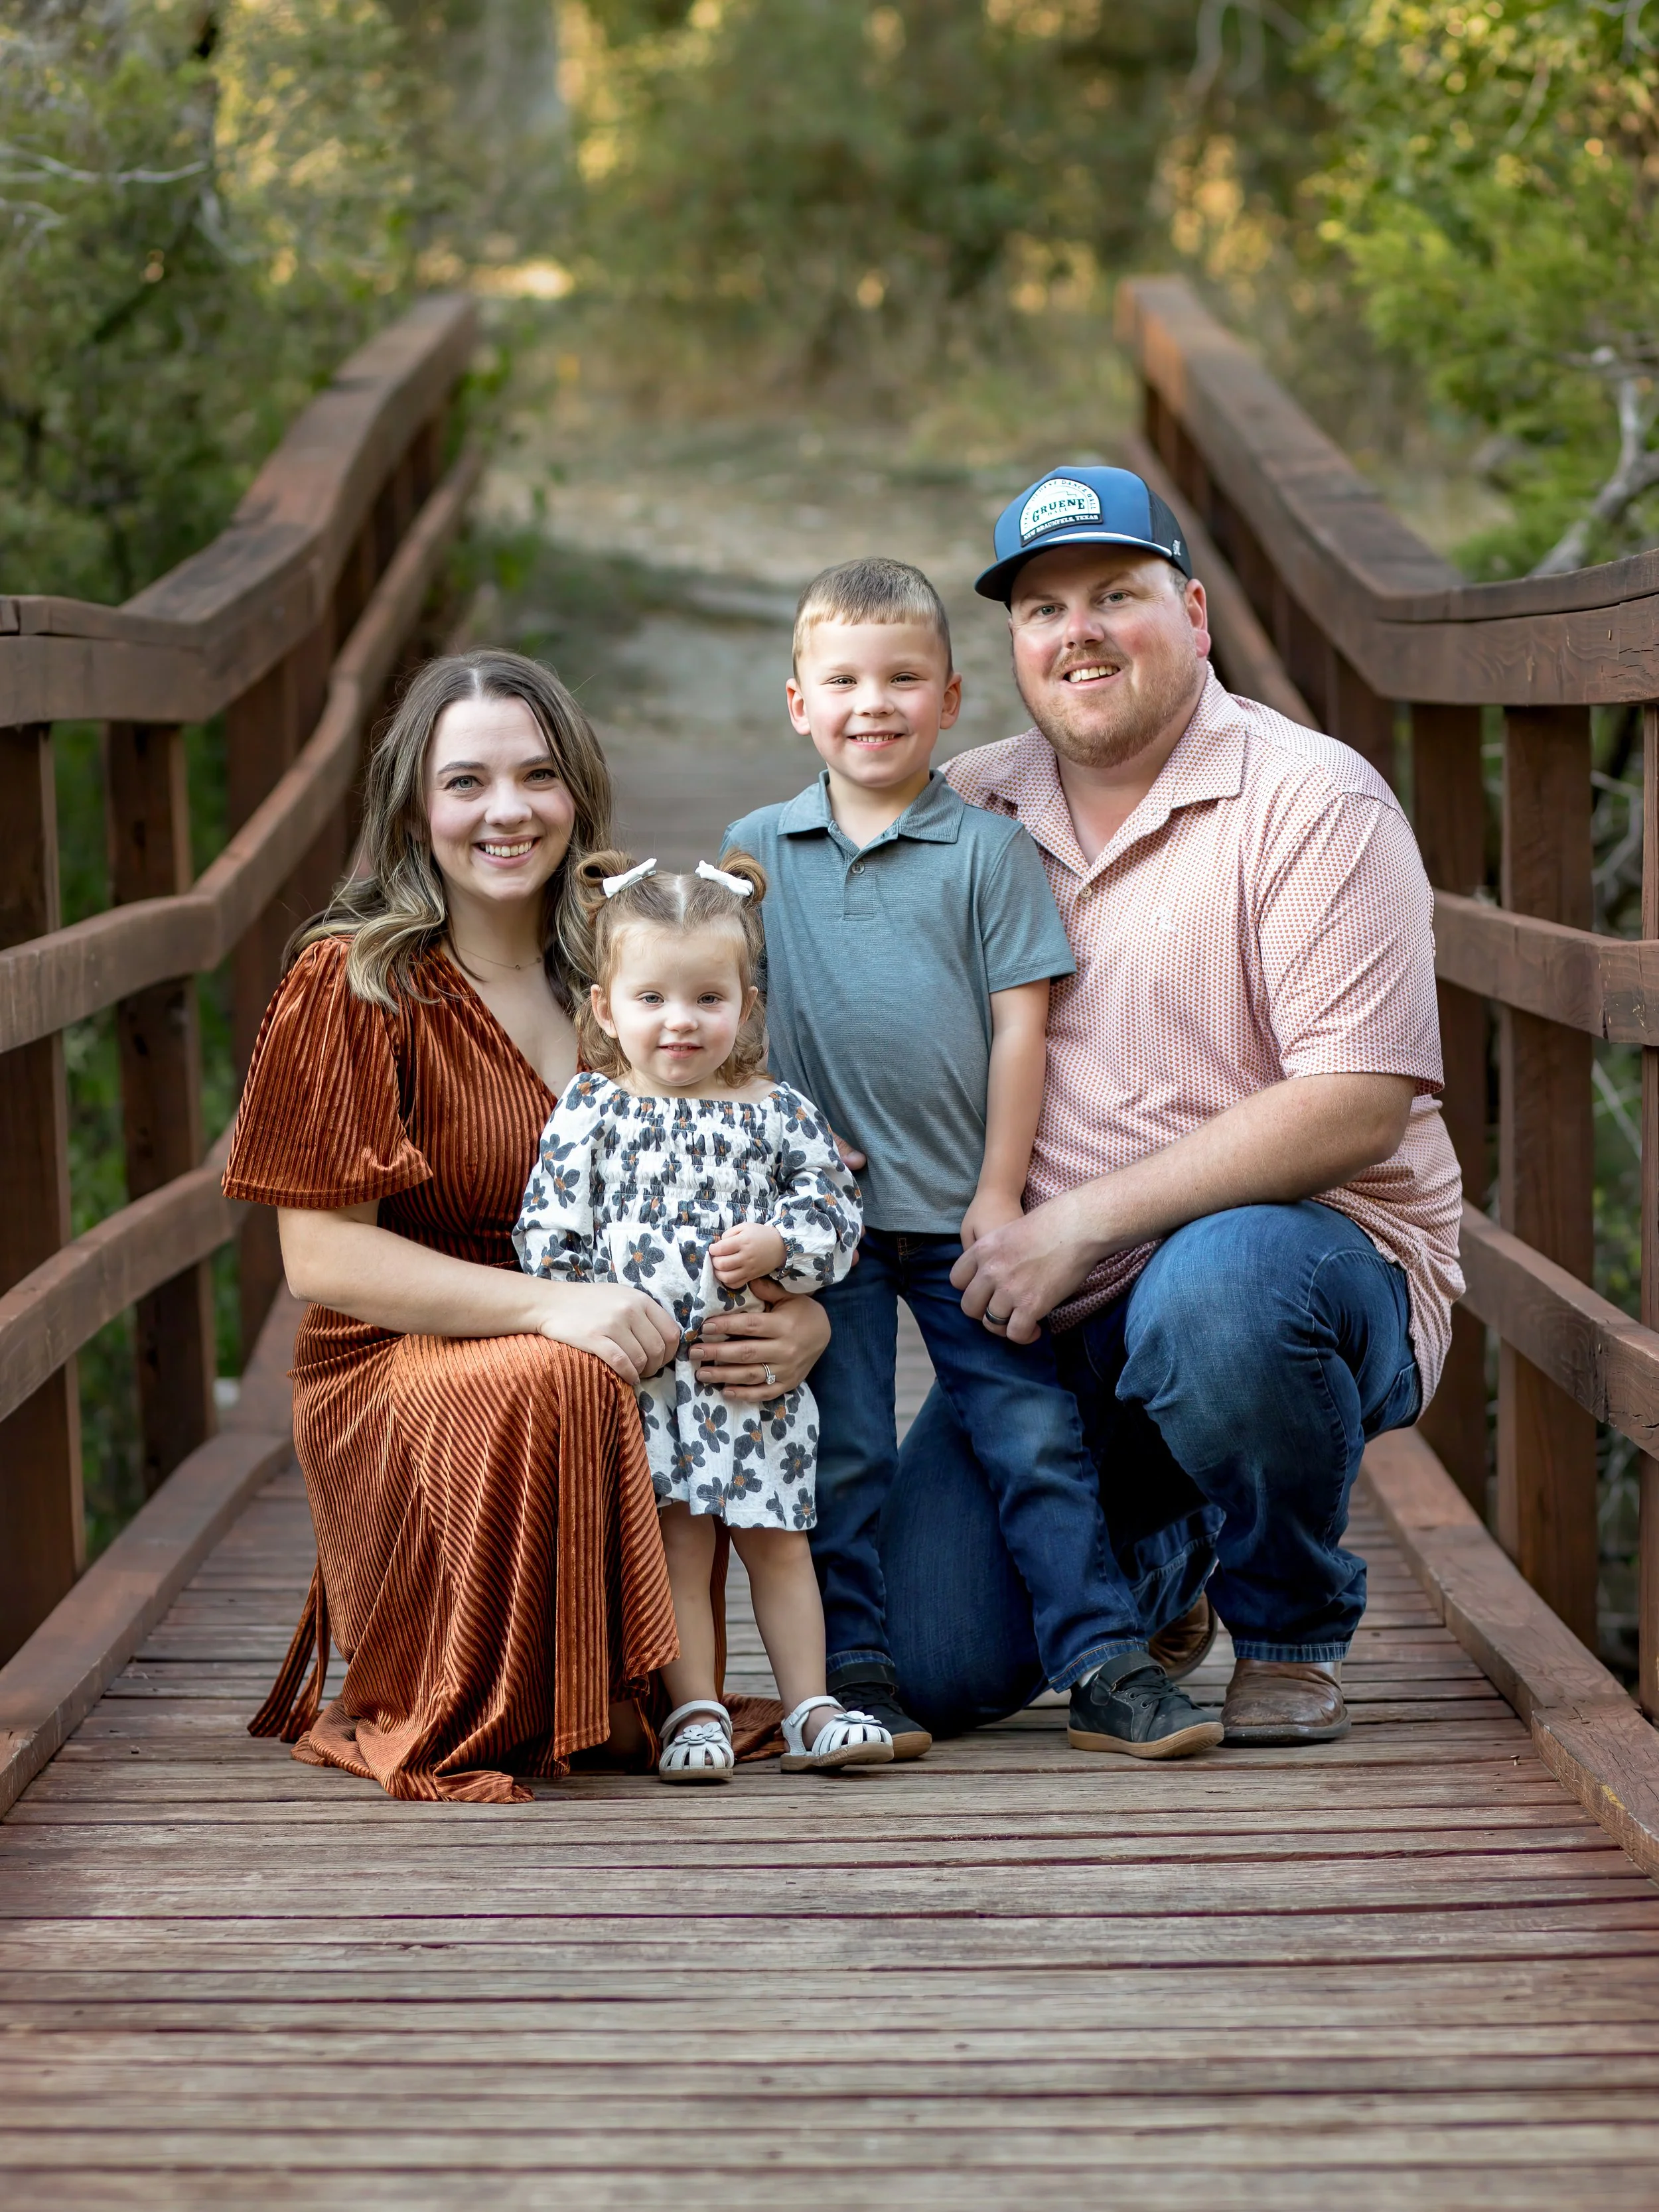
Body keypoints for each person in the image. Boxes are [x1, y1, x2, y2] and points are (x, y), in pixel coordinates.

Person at [881, 464, 1464, 1747]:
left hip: (1293, 1270)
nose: (1077, 631)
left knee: (1225, 1295)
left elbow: (1359, 1102)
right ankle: (1169, 1562)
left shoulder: (1313, 801)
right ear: (1015, 647)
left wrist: (1084, 1220)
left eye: (1115, 594)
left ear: (1193, 614)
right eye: (1041, 609)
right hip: (1053, 1314)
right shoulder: (968, 808)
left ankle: (1292, 1620)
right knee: (928, 1658)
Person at [224, 649, 830, 1802]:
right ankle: (523, 1688)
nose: (506, 810)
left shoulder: (625, 979)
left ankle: (696, 1686)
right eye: (466, 782)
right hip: (408, 1364)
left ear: (579, 794)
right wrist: (557, 1306)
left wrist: (801, 1318)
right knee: (563, 1376)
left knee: (667, 1379)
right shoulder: (353, 981)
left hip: (622, 1342)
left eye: (538, 775)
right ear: (414, 804)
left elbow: (736, 1178)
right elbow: (321, 1258)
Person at [726, 557, 1226, 1764]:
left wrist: (1000, 1194)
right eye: (842, 680)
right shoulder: (753, 854)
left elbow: (1022, 1028)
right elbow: (722, 1019)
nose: (873, 704)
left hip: (962, 1215)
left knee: (1034, 1438)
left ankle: (1104, 1658)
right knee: (838, 1446)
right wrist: (777, 1133)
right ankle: (859, 1669)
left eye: (904, 678)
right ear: (798, 702)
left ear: (952, 702)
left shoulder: (986, 851)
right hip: (826, 1222)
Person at [514, 849, 892, 1779]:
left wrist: (779, 1250)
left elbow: (836, 1212)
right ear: (606, 1008)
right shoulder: (593, 1111)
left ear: (745, 1005)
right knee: (680, 1550)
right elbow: (546, 1227)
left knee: (779, 1546)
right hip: (652, 1384)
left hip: (751, 1383)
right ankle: (696, 1711)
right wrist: (590, 1308)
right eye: (652, 1000)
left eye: (707, 1000)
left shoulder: (776, 1111)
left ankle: (810, 1707)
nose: (680, 1022)